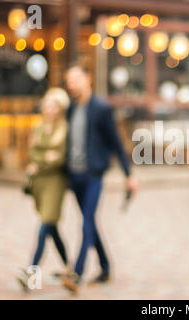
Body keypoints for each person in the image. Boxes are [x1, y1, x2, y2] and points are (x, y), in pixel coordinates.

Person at [62, 65, 137, 292]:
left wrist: (128, 174)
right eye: (69, 81)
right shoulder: (71, 108)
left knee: (85, 222)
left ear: (88, 78)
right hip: (74, 175)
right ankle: (105, 266)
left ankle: (77, 272)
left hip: (94, 174)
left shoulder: (101, 108)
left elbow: (116, 142)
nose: (72, 84)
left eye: (76, 79)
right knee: (90, 221)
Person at [17, 88, 71, 291]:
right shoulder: (39, 127)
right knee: (52, 228)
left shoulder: (64, 129)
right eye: (47, 104)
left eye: (54, 105)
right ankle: (69, 267)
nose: (49, 109)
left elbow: (59, 158)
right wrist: (43, 158)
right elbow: (32, 153)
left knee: (44, 225)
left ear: (60, 109)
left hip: (56, 182)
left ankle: (31, 273)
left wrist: (43, 159)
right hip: (39, 183)